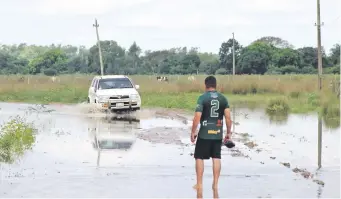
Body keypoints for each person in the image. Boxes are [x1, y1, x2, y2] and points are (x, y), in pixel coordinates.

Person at [190, 75, 232, 191]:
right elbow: (228, 118)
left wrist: (193, 132)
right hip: (218, 133)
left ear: (206, 85)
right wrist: (228, 133)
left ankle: (199, 184)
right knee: (216, 157)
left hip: (204, 133)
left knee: (199, 157)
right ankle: (215, 185)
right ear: (215, 85)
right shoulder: (223, 98)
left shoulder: (202, 98)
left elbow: (197, 117)